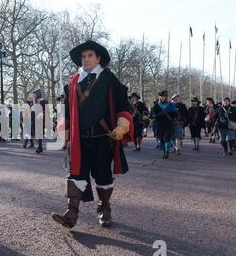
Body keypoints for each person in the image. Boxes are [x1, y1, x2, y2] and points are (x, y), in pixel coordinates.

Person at [51, 40, 133, 229]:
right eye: (83, 56)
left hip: (103, 138)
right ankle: (71, 213)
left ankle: (104, 208)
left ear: (98, 58)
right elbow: (67, 110)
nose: (86, 59)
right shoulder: (72, 83)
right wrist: (63, 129)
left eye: (90, 56)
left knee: (103, 176)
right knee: (76, 173)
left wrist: (122, 126)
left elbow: (122, 106)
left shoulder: (110, 80)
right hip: (79, 139)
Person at [152, 91, 178, 159]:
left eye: (165, 96)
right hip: (159, 124)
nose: (163, 97)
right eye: (162, 96)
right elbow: (152, 114)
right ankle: (164, 152)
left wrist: (174, 118)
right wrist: (152, 116)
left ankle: (167, 152)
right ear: (159, 97)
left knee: (167, 138)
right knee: (161, 138)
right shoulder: (156, 105)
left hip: (168, 123)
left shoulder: (171, 105)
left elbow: (175, 114)